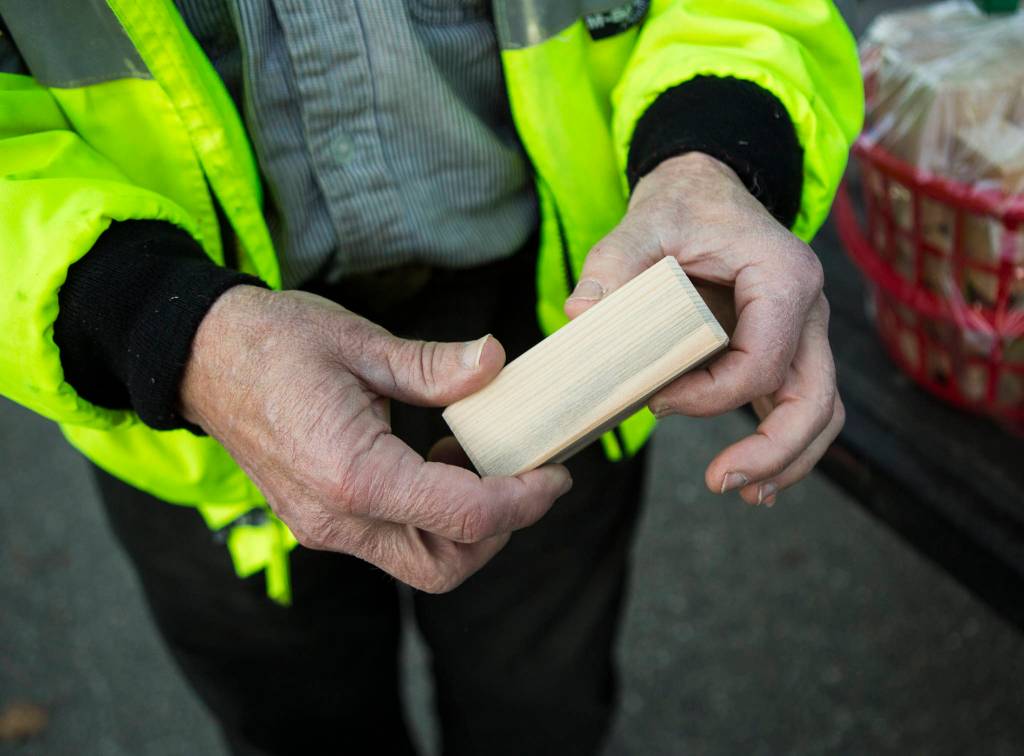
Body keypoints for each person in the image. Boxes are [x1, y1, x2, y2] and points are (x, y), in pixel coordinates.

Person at [0, 2, 862, 754]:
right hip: (191, 374)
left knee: (540, 703)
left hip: (552, 317)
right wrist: (154, 323)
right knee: (297, 718)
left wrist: (714, 157)